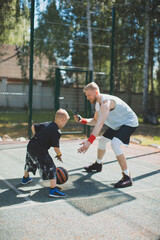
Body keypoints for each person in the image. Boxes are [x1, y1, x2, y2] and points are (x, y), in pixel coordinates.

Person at [74, 82, 139, 188]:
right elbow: (95, 120)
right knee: (102, 141)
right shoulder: (97, 104)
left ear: (96, 92)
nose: (87, 97)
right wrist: (82, 120)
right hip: (117, 124)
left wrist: (89, 142)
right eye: (86, 95)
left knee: (115, 144)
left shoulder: (106, 103)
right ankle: (98, 164)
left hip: (129, 122)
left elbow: (100, 124)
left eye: (89, 95)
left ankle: (127, 177)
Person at [21, 108, 70, 197]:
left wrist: (38, 137)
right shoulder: (57, 131)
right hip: (40, 149)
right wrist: (59, 155)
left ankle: (25, 178)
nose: (65, 124)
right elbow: (56, 148)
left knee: (30, 162)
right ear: (62, 119)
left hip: (31, 145)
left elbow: (33, 127)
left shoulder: (48, 124)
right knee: (51, 167)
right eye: (65, 122)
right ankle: (53, 190)